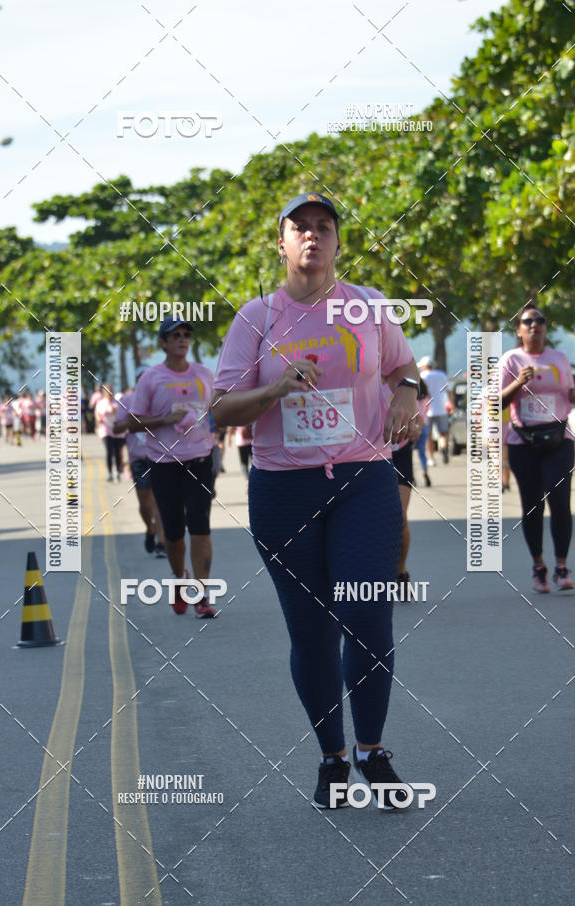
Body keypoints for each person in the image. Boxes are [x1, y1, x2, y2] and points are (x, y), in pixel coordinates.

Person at [211, 192, 420, 809]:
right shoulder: (256, 318)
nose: (312, 236)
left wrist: (406, 394)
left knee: (367, 615)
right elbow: (221, 408)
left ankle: (372, 751)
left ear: (336, 242)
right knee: (310, 631)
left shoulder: (369, 306)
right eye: (299, 227)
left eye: (323, 228)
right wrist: (273, 388)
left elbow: (402, 370)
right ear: (281, 243)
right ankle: (331, 756)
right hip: (283, 487)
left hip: (363, 480)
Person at [129, 317, 217, 618]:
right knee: (174, 533)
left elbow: (217, 409)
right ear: (163, 343)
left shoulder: (204, 374)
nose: (182, 339)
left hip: (201, 460)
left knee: (201, 526)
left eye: (186, 335)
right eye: (175, 335)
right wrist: (165, 420)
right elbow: (131, 421)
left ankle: (203, 595)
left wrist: (218, 426)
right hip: (164, 464)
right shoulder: (151, 378)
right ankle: (180, 579)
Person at [500, 304, 575, 592]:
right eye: (528, 321)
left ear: (546, 327)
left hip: (559, 440)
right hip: (524, 443)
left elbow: (568, 395)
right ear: (519, 330)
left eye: (540, 320)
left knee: (560, 503)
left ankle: (561, 566)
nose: (535, 325)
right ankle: (539, 567)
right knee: (532, 506)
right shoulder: (512, 359)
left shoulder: (559, 358)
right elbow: (498, 403)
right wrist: (519, 382)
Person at [114, 366, 167, 558]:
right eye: (142, 378)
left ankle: (161, 542)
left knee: (160, 501)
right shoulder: (127, 401)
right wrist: (134, 421)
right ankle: (150, 529)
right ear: (137, 381)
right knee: (145, 503)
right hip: (138, 458)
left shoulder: (160, 398)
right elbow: (117, 427)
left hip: (160, 456)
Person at [418, 356, 452, 465]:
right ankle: (443, 446)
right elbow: (449, 390)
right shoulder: (441, 374)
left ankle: (431, 458)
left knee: (429, 435)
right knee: (443, 432)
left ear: (424, 366)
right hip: (441, 408)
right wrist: (452, 404)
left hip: (427, 409)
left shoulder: (422, 376)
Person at [95, 385, 124, 481]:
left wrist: (115, 411)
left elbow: (123, 415)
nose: (109, 393)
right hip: (105, 431)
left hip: (117, 431)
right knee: (109, 451)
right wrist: (99, 419)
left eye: (111, 391)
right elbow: (97, 415)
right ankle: (110, 473)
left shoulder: (117, 403)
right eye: (107, 391)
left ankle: (118, 472)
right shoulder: (100, 403)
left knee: (117, 452)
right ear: (104, 392)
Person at [414, 378, 431, 487]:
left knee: (409, 454)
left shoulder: (411, 398)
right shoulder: (426, 398)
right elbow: (427, 410)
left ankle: (412, 477)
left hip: (413, 427)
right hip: (424, 425)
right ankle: (425, 471)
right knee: (422, 452)